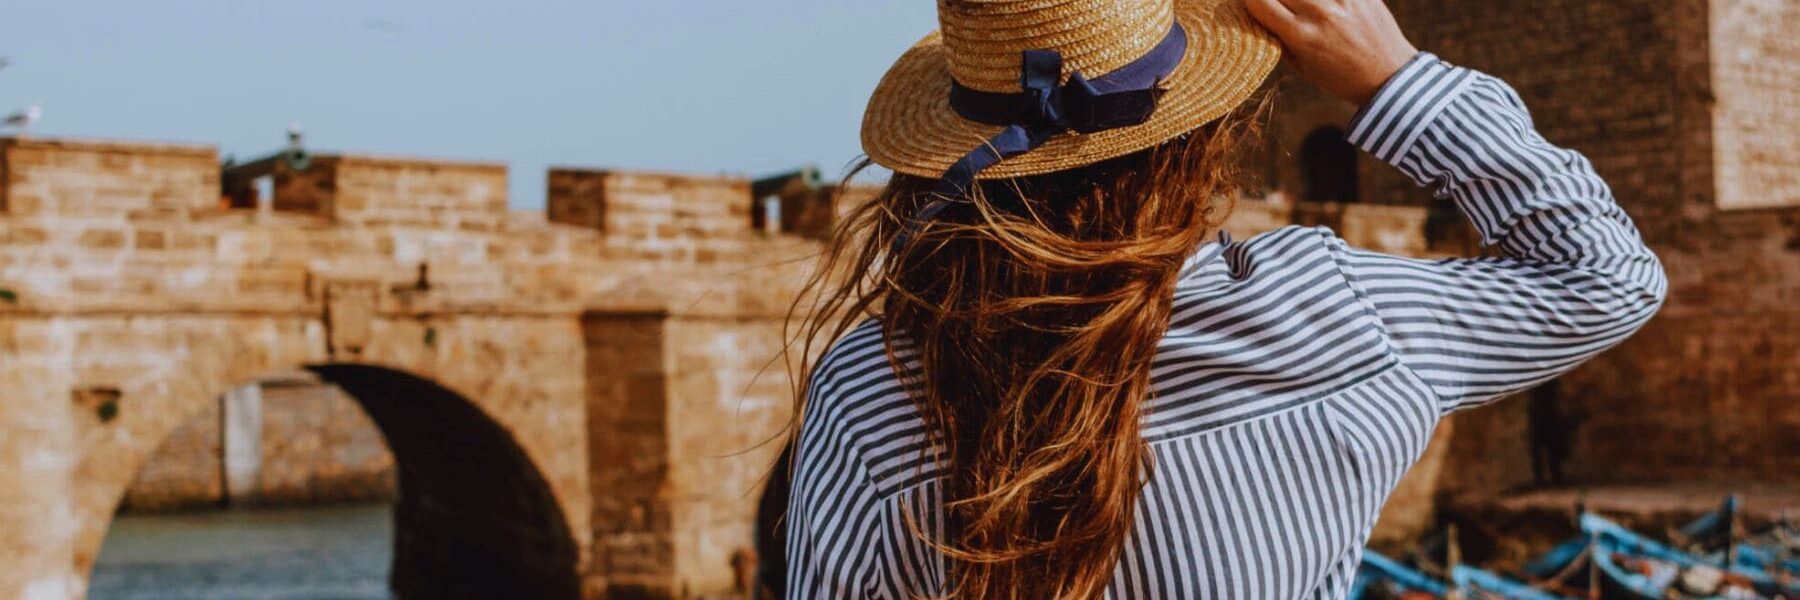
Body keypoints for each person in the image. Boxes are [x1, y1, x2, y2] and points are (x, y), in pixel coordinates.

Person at [782, 0, 1667, 597]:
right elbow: (1602, 277)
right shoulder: (1327, 314)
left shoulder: (876, 384)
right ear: (1198, 134)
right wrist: (1392, 79)